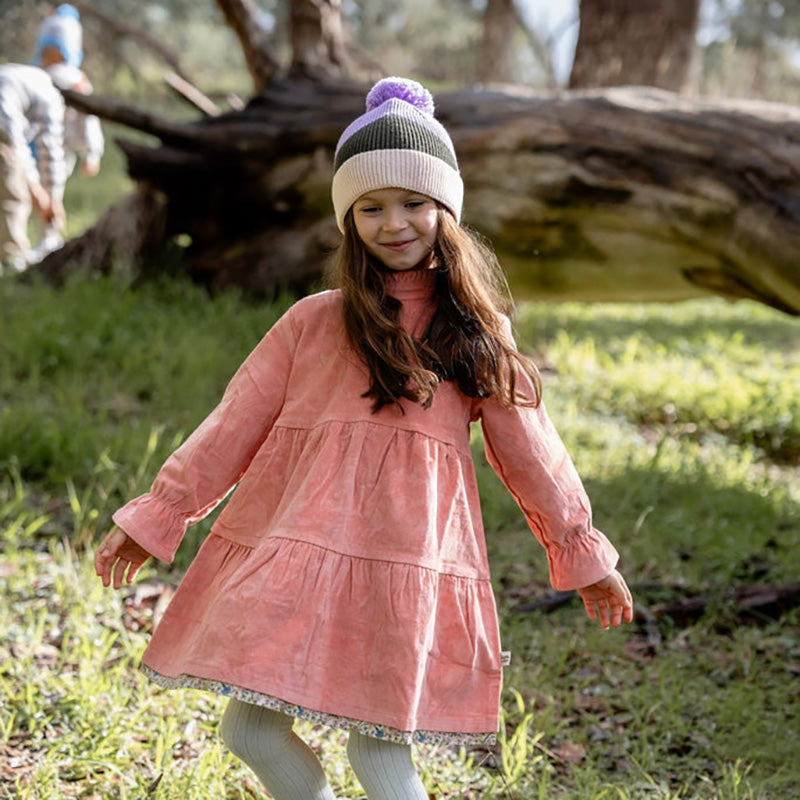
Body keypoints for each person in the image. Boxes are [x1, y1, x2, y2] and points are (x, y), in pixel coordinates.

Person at [95, 77, 634, 800]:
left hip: (402, 564)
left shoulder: (474, 332)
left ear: (445, 209)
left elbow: (532, 449)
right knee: (249, 732)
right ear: (349, 220)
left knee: (380, 759)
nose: (394, 223)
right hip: (300, 549)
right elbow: (231, 426)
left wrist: (579, 548)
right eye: (371, 208)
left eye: (414, 203)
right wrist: (158, 516)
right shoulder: (313, 322)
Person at [28, 3, 104, 263]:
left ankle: (48, 240)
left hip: (56, 148)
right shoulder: (43, 76)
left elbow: (87, 119)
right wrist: (91, 152)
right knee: (42, 191)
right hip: (39, 145)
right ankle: (41, 239)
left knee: (48, 191)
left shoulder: (74, 82)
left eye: (53, 50)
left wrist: (92, 152)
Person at [0, 63, 66, 273]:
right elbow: (49, 149)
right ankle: (12, 259)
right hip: (3, 128)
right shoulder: (51, 97)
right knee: (14, 196)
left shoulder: (28, 79)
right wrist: (47, 194)